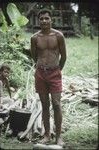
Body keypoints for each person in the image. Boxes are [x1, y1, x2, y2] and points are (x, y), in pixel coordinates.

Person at [30, 9, 67, 146]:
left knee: (56, 104)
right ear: (38, 21)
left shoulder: (58, 36)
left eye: (47, 18)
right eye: (41, 19)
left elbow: (64, 56)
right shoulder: (34, 37)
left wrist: (56, 69)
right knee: (45, 105)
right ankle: (46, 135)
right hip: (40, 73)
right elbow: (34, 56)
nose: (44, 21)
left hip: (54, 73)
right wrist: (42, 68)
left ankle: (58, 136)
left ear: (51, 20)